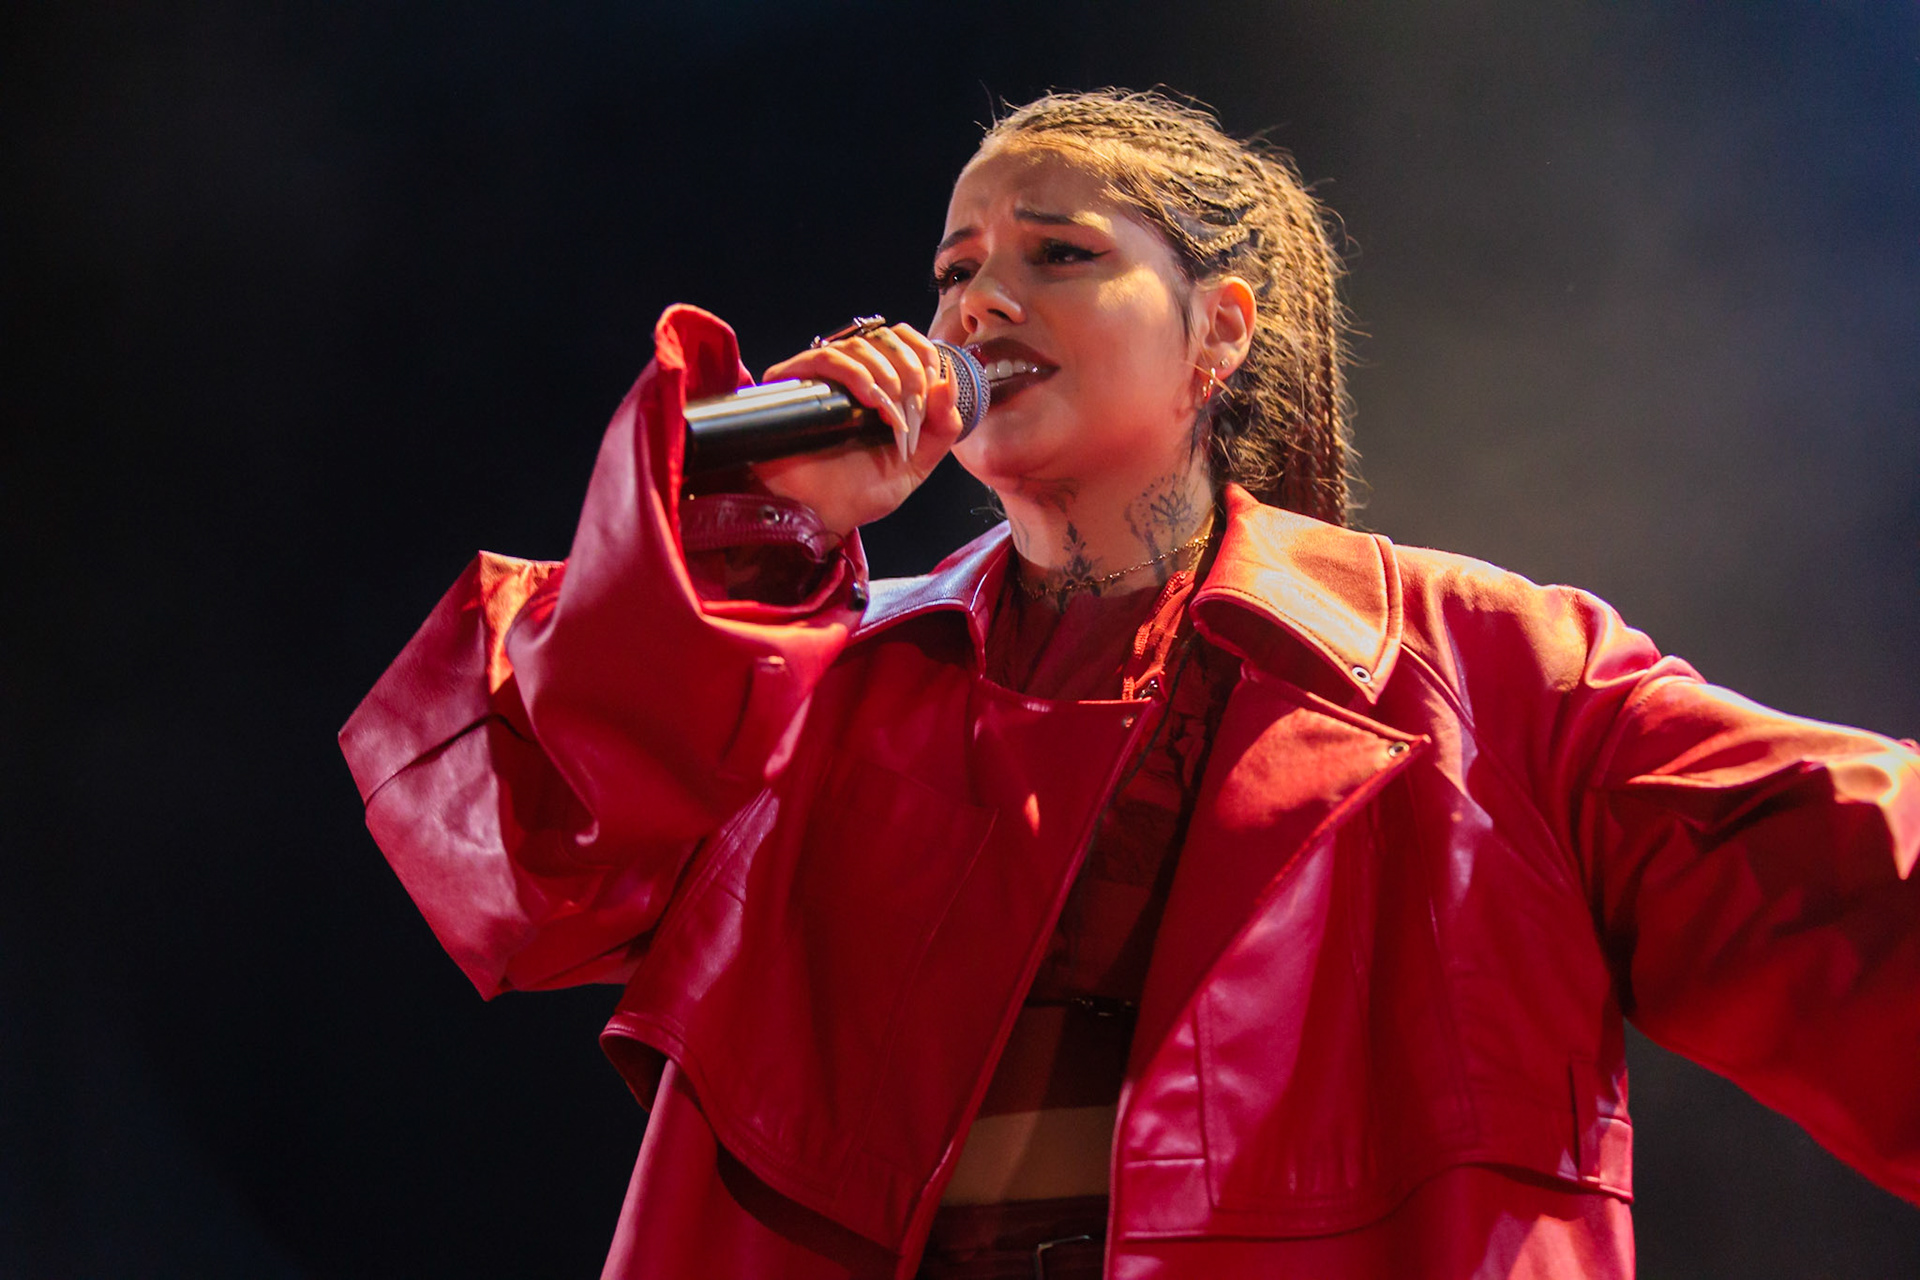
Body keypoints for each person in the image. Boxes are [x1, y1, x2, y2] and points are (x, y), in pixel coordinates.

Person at [339, 90, 1920, 1279]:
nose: (976, 303)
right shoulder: (810, 688)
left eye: (1059, 254)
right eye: (956, 267)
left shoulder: (1493, 673)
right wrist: (754, 529)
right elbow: (521, 843)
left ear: (1217, 334)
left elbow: (1855, 887)